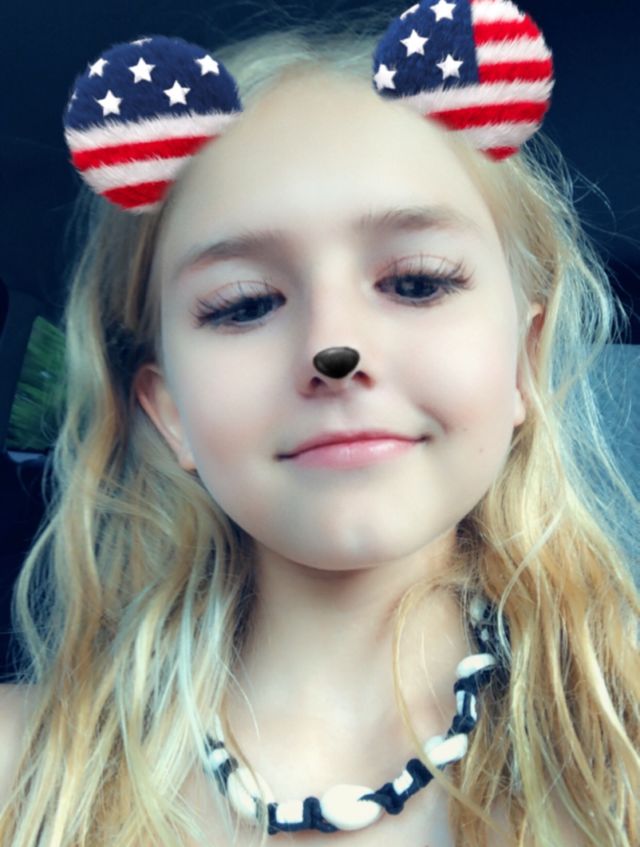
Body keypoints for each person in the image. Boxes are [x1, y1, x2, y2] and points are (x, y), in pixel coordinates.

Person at [0, 2, 638, 845]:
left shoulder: (620, 748)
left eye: (417, 282)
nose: (333, 348)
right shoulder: (23, 766)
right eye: (244, 303)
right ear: (169, 410)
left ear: (523, 360)